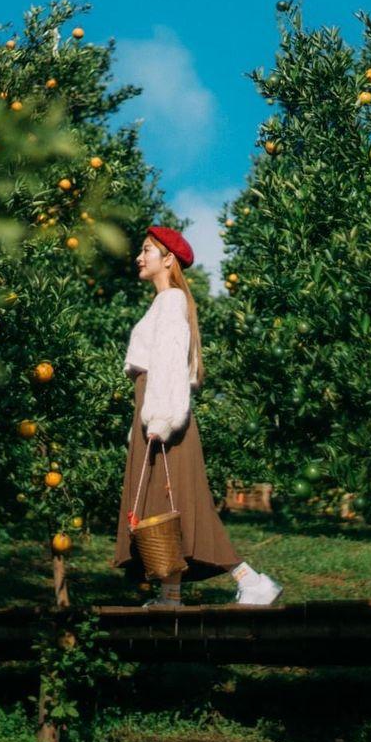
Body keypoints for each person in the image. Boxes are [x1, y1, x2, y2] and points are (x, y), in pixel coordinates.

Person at [111, 225, 283, 608]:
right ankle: (170, 595)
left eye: (146, 251)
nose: (139, 258)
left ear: (168, 259)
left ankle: (251, 580)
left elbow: (169, 366)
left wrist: (159, 420)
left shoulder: (170, 301)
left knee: (185, 508)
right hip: (154, 414)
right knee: (162, 507)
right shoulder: (165, 303)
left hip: (163, 418)